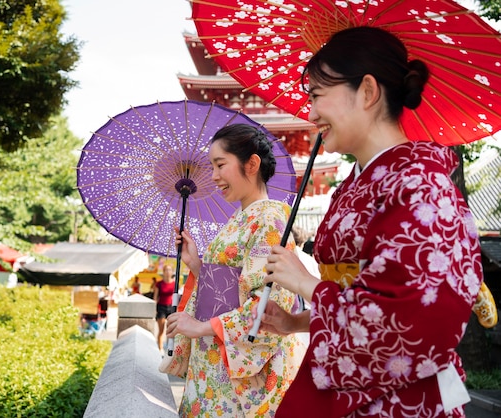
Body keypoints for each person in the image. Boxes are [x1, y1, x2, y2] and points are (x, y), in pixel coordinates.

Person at [258, 26, 484, 417]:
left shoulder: (422, 185)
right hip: (353, 384)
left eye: (316, 96)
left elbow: (412, 318)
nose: (310, 114)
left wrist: (306, 284)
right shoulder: (361, 182)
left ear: (366, 91)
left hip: (399, 398)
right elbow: (362, 293)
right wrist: (297, 322)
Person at [164, 124, 307, 417]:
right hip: (218, 356)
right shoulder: (240, 218)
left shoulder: (270, 219)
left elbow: (268, 303)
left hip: (241, 371)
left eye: (220, 165)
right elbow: (230, 289)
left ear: (251, 164)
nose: (214, 176)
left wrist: (201, 327)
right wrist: (196, 264)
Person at [153, 264, 175, 352]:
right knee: (161, 330)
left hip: (171, 307)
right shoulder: (159, 284)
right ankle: (160, 348)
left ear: (172, 272)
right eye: (166, 270)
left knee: (170, 330)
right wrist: (154, 310)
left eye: (170, 270)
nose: (168, 272)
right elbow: (155, 297)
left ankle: (169, 348)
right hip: (161, 307)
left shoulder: (174, 283)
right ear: (163, 272)